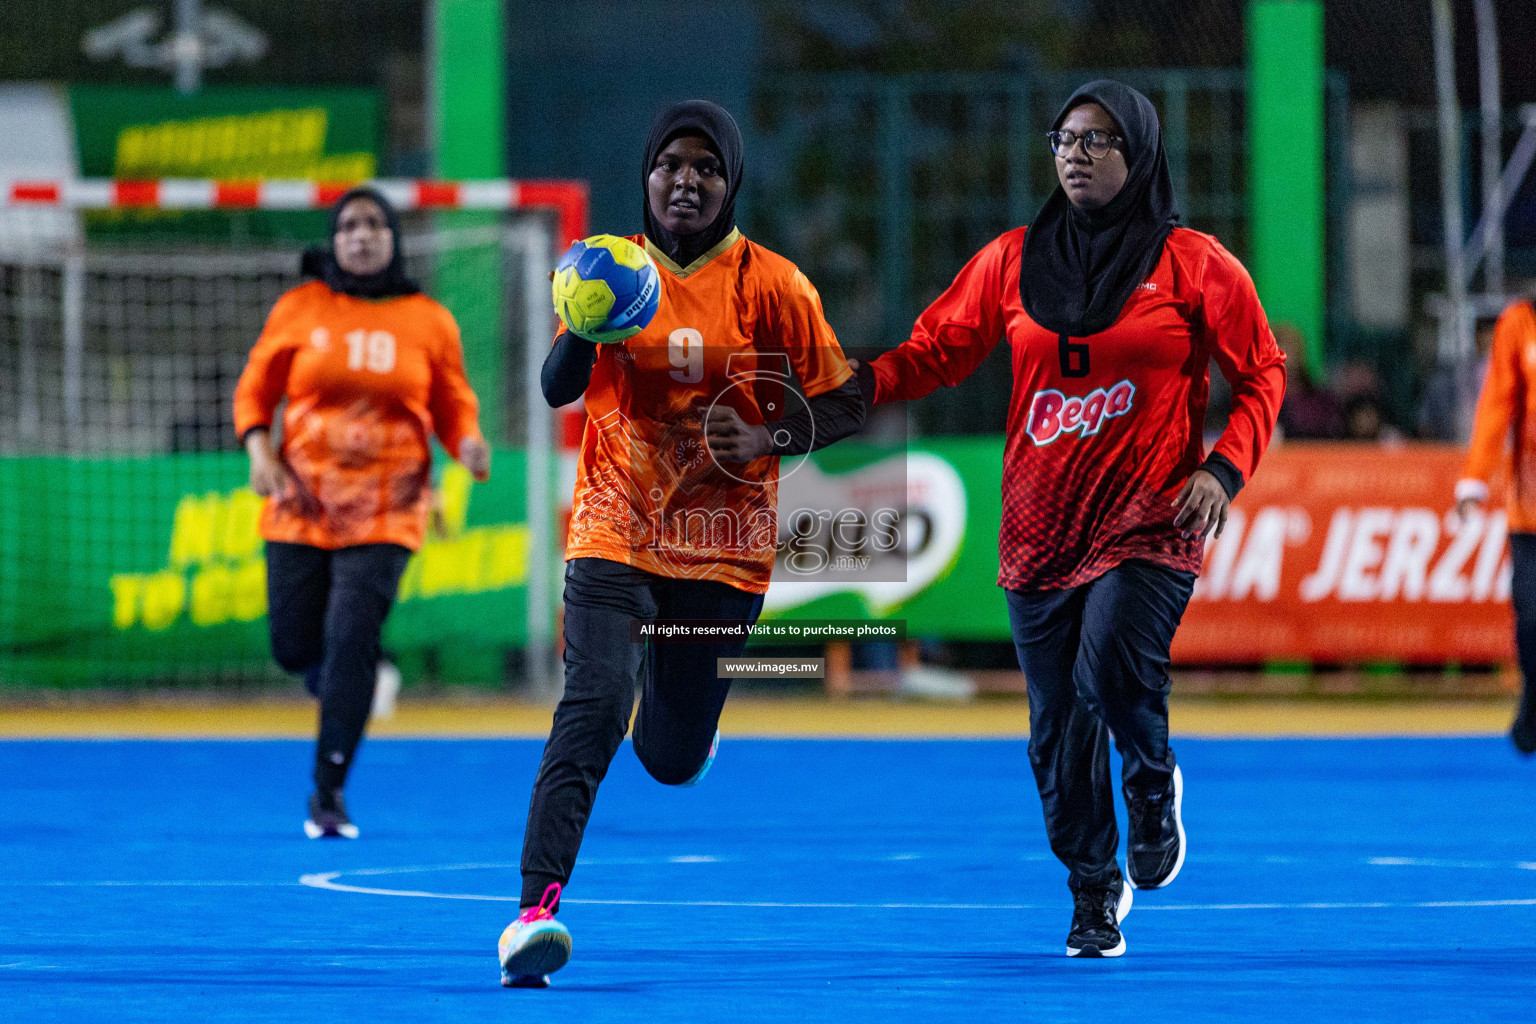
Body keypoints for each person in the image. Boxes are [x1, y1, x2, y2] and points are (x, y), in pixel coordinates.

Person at [852, 81, 1285, 957]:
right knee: (1055, 738)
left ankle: (1154, 785)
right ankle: (1094, 891)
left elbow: (1264, 374)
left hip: (1151, 519)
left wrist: (1224, 469)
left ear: (1141, 155)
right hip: (1038, 531)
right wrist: (854, 387)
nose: (1077, 154)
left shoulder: (1196, 265)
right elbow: (937, 351)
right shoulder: (1012, 260)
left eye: (1099, 141)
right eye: (1065, 139)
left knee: (1113, 676)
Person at [497, 100, 866, 988]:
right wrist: (585, 327)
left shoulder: (775, 286)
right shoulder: (608, 270)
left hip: (723, 545)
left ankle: (687, 736)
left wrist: (774, 436)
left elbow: (848, 401)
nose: (686, 180)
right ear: (647, 176)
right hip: (612, 528)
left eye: (705, 165)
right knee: (592, 707)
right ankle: (533, 916)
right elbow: (556, 390)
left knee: (666, 755)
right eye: (670, 164)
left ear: (730, 180)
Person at [232, 186, 490, 839]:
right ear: (334, 239)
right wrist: (261, 453)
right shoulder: (300, 307)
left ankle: (328, 795)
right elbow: (254, 393)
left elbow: (454, 403)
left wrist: (468, 443)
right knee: (293, 646)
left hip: (388, 506)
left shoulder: (429, 319)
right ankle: (355, 681)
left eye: (376, 224)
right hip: (302, 501)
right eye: (349, 225)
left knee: (351, 639)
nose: (362, 235)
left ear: (394, 239)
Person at [1455, 298, 1536, 754]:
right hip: (1531, 511)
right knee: (1532, 620)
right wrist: (1474, 479)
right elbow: (1497, 403)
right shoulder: (1520, 323)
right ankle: (1533, 697)